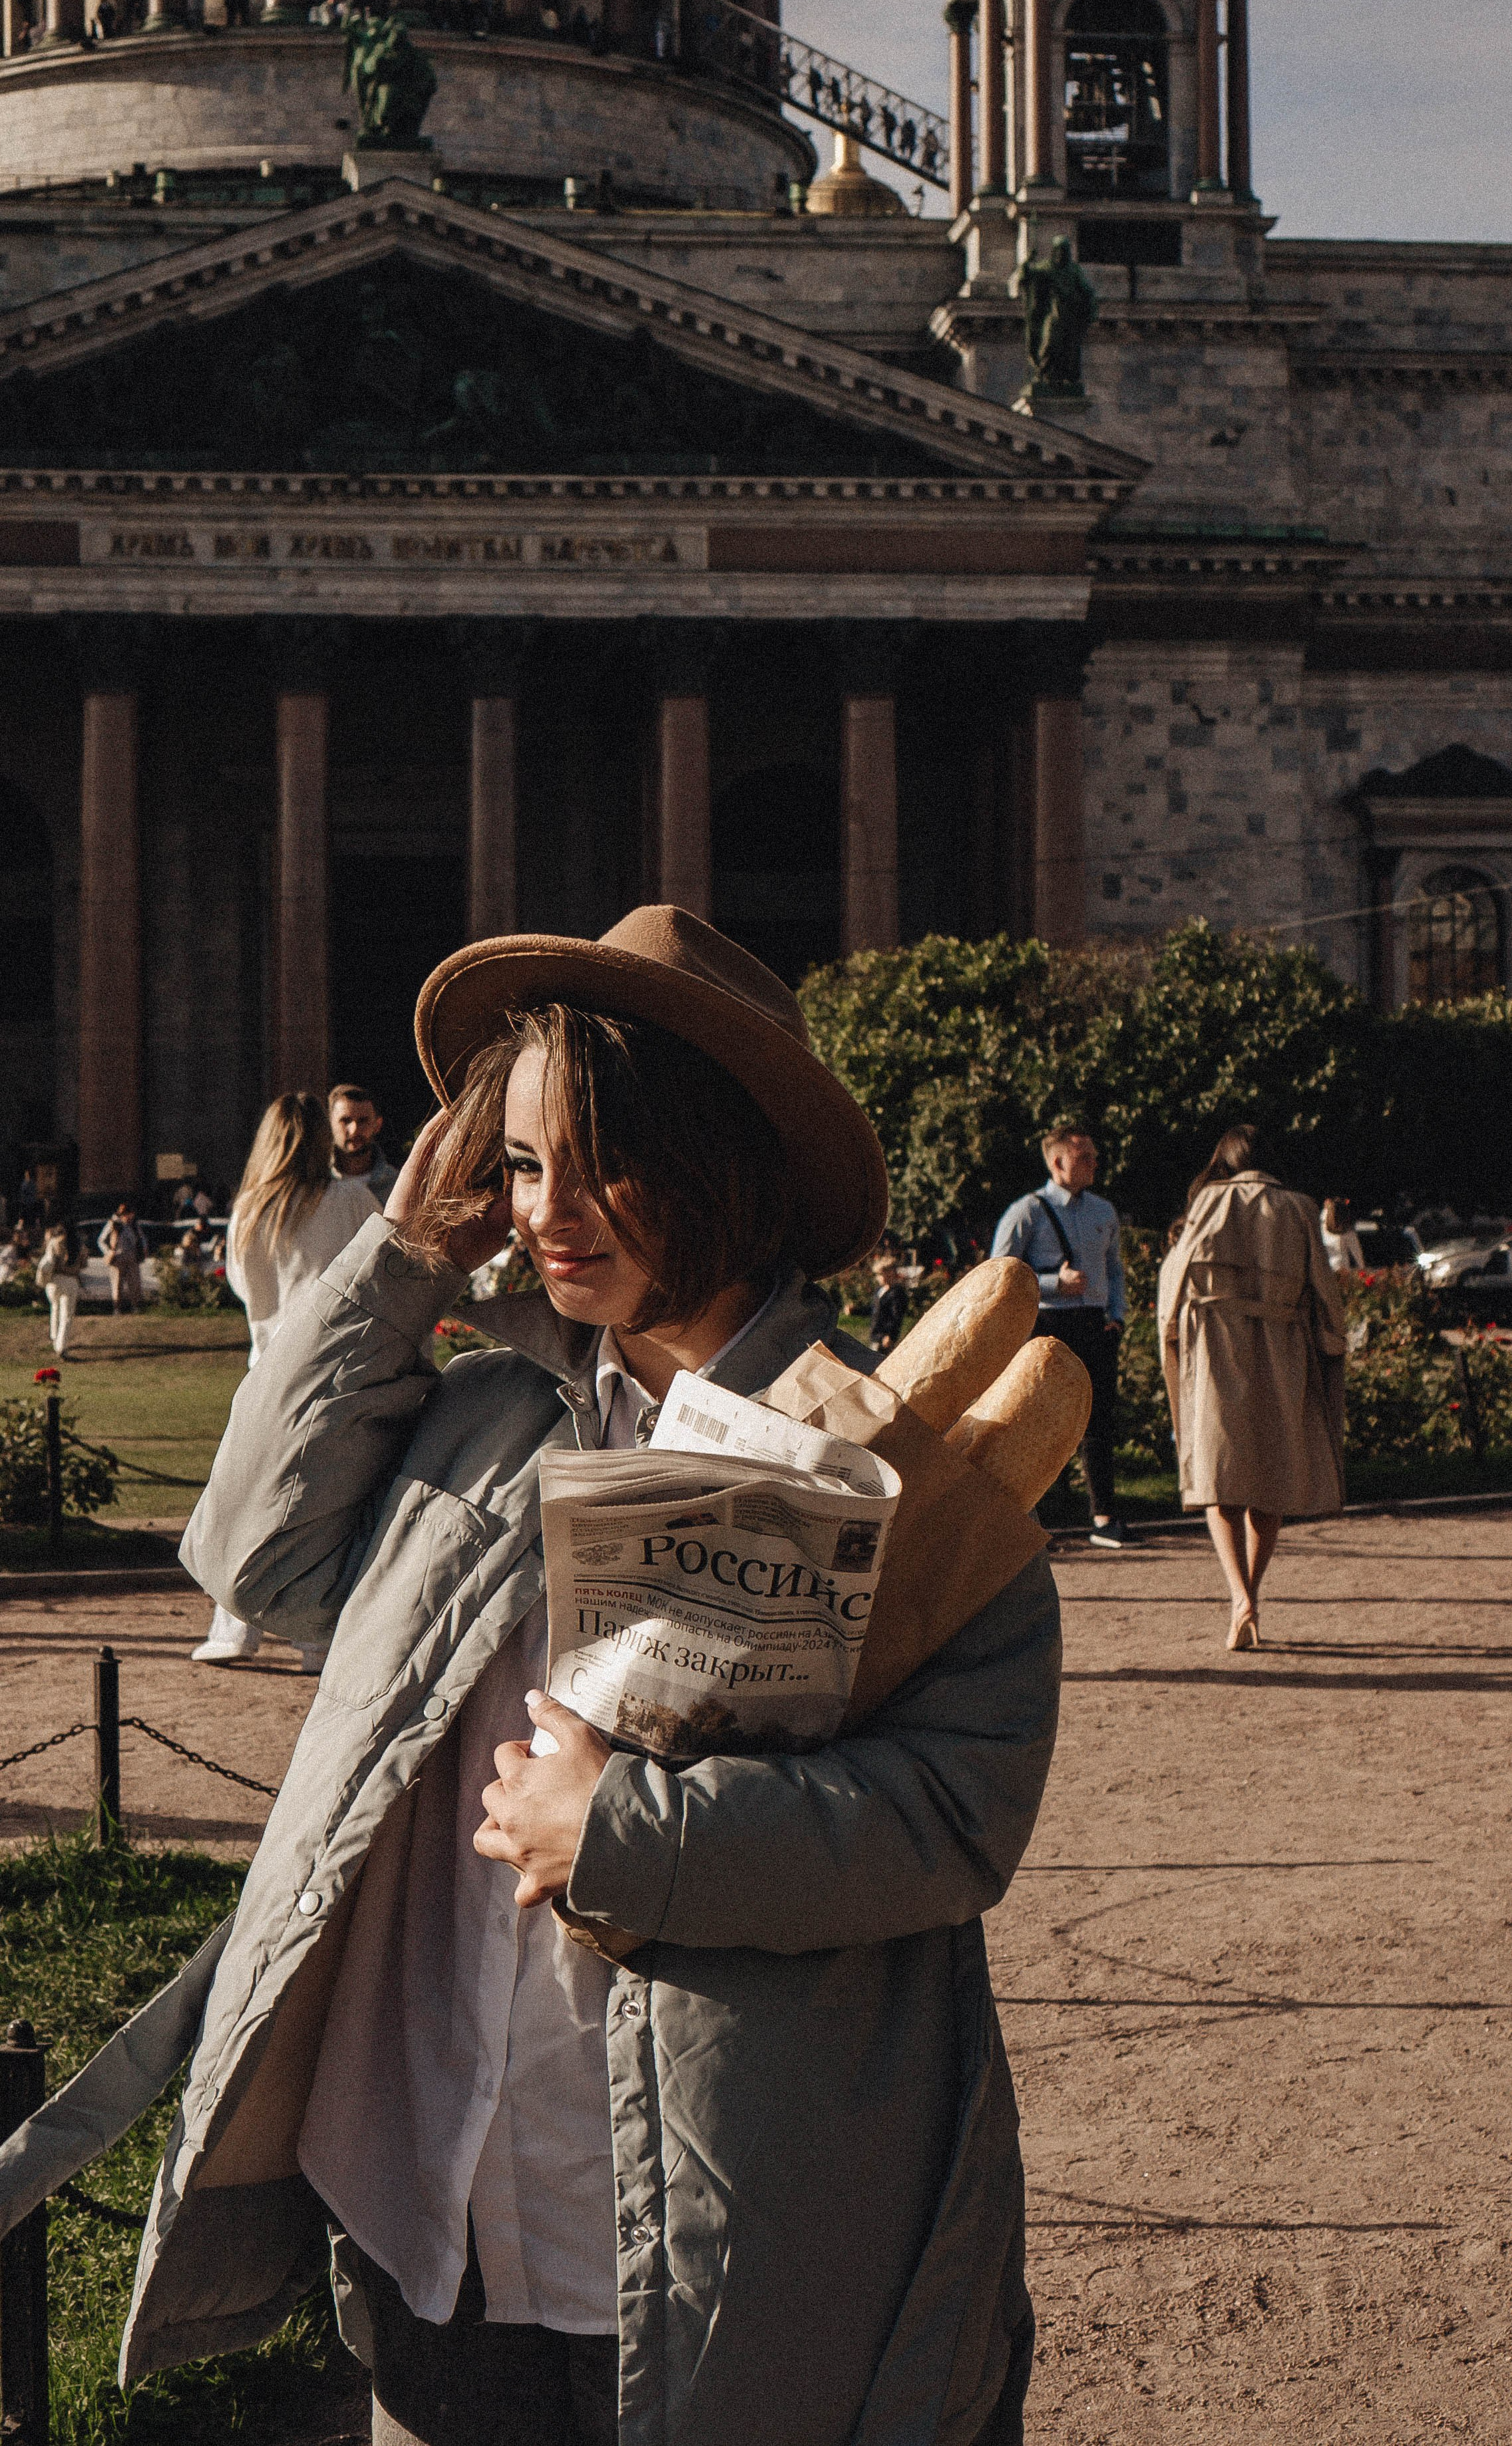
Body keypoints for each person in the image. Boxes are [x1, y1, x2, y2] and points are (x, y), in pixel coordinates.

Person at [79, 906, 1061, 2443]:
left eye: (599, 1159)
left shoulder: (881, 1455)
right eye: (524, 1162)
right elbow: (256, 1560)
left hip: (704, 2239)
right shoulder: (483, 1415)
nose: (550, 1209)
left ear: (721, 1157)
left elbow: (953, 1811)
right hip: (434, 2207)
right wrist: (396, 1260)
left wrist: (624, 1837)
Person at [193, 1092, 381, 1671]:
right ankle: (316, 1639)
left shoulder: (249, 1208)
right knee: (327, 1508)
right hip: (331, 1370)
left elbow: (247, 1292)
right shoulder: (349, 1198)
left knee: (246, 1503)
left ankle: (235, 1630)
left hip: (265, 1373)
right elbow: (382, 1268)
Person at [1159, 1124, 1347, 1653]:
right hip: (1281, 1348)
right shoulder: (1298, 1207)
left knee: (1219, 1478)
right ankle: (1254, 1595)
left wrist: (1172, 1339)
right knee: (1270, 1475)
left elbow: (1172, 1285)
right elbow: (1325, 1290)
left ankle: (1238, 1594)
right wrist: (1332, 1344)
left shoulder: (1206, 1205)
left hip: (1215, 1350)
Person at [992, 1125, 1129, 1549]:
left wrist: (1117, 1316)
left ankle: (1103, 1518)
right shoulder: (1027, 1211)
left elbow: (1115, 1270)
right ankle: (1034, 1519)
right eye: (1084, 1156)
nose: (1094, 1163)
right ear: (1058, 1162)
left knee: (1098, 1419)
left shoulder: (1104, 1211)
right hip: (1047, 1324)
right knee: (1036, 1418)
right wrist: (1054, 1283)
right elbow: (1000, 1273)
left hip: (1094, 1323)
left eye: (1092, 1155)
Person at [329, 1081, 397, 1203]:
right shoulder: (315, 1183)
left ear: (377, 1125)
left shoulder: (396, 1187)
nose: (354, 1130)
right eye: (346, 1120)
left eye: (363, 1121)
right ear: (330, 1124)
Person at [37, 1217, 86, 1358]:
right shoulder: (79, 1245)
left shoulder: (54, 1243)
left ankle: (53, 1335)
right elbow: (84, 1264)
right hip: (71, 1280)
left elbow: (49, 1262)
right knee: (67, 1316)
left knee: (55, 1308)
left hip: (55, 1280)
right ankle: (61, 1346)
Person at [98, 1201, 146, 1313]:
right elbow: (101, 1240)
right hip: (117, 1259)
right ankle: (117, 1309)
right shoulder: (114, 1224)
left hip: (132, 1258)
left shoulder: (134, 1225)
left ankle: (135, 1307)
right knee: (117, 1285)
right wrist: (109, 1252)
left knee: (134, 1284)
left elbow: (142, 1238)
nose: (129, 1218)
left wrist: (143, 1249)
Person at [866, 1245, 908, 1353]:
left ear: (890, 1273)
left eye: (882, 1274)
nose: (879, 1277)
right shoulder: (880, 1291)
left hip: (886, 1338)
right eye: (878, 1274)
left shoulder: (897, 1293)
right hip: (876, 1335)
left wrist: (889, 1335)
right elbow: (873, 1309)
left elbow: (896, 1317)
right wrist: (856, 1310)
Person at [1322, 1197, 1366, 1275]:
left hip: (1325, 1267)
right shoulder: (1346, 1230)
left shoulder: (1322, 1223)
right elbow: (1356, 1250)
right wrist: (1362, 1268)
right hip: (1342, 1268)